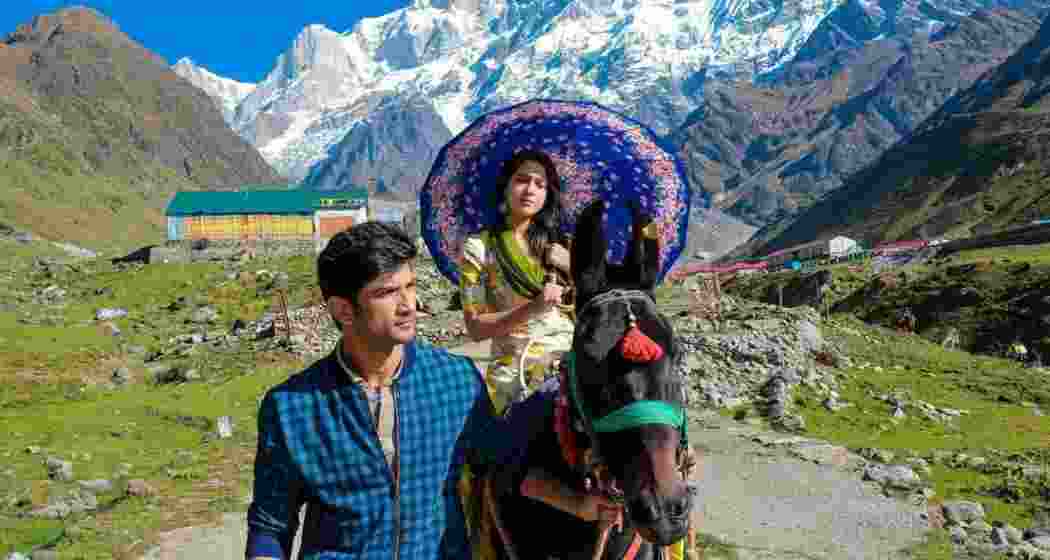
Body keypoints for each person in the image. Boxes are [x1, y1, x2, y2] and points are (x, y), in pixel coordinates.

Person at [246, 221, 506, 560]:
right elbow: (271, 527)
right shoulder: (293, 408)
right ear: (343, 310)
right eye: (386, 293)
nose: (408, 305)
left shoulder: (457, 382)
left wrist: (582, 501)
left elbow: (505, 470)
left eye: (410, 286)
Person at [459, 149, 576, 416]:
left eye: (540, 184)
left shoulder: (563, 246)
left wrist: (571, 266)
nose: (530, 190)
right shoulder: (479, 248)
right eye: (522, 180)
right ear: (506, 186)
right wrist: (533, 308)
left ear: (548, 195)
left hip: (572, 364)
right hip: (516, 375)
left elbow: (596, 303)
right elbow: (476, 327)